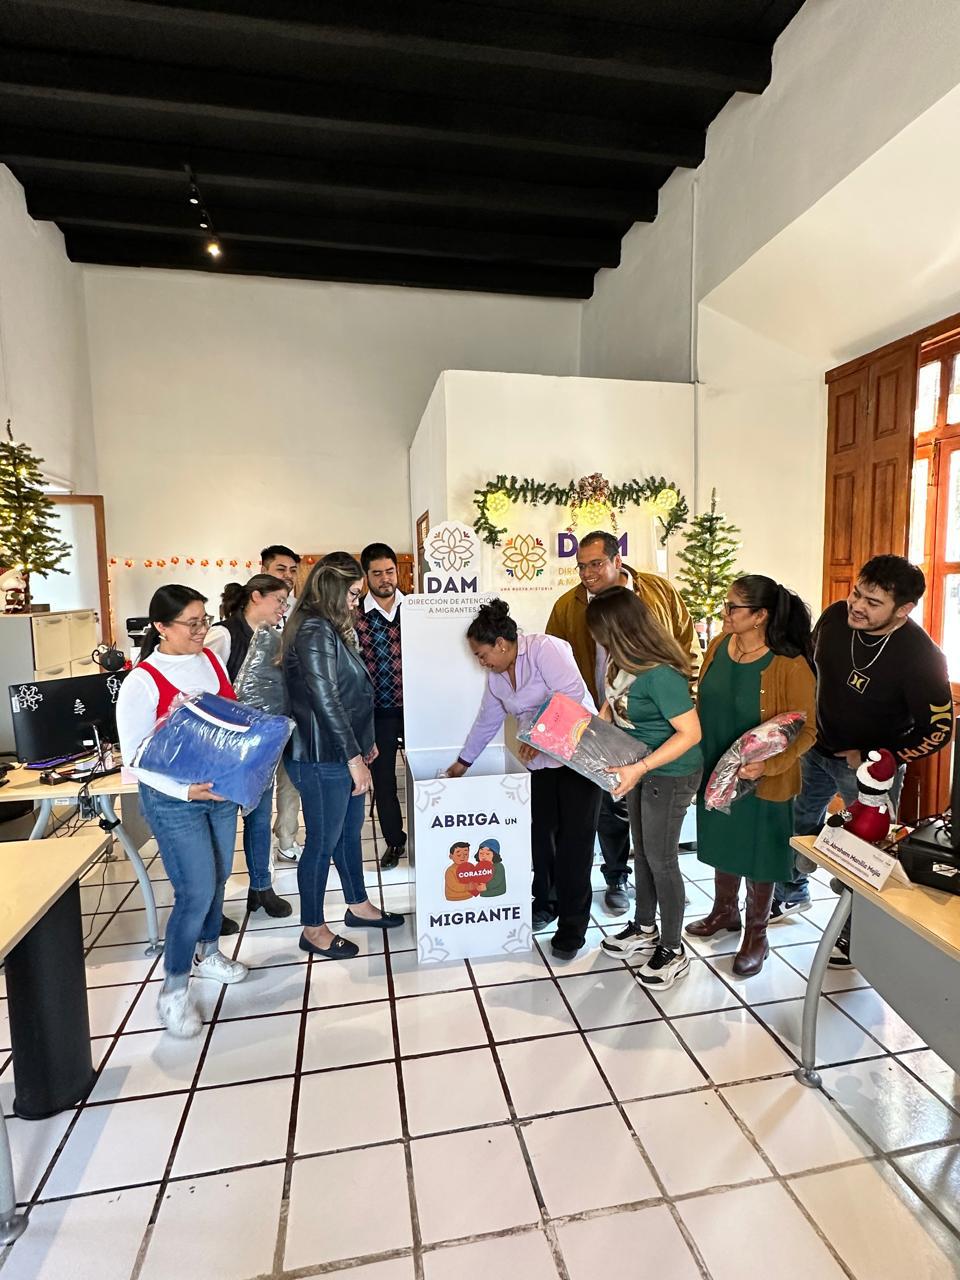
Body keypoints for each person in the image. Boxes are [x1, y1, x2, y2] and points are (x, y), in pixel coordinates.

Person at [772, 555, 953, 968]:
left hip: (868, 772)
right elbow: (810, 667)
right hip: (816, 749)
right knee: (798, 823)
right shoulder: (836, 618)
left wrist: (878, 757)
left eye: (872, 602)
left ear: (903, 610)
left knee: (865, 852)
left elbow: (939, 731)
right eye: (857, 593)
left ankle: (854, 933)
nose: (856, 605)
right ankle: (791, 893)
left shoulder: (921, 657)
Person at [546, 530, 700, 915]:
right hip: (609, 726)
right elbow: (557, 665)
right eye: (581, 566)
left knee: (658, 845)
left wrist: (686, 699)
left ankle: (664, 904)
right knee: (613, 811)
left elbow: (687, 648)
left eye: (595, 564)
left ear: (617, 560)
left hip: (662, 734)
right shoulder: (568, 606)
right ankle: (618, 878)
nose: (587, 573)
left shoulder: (659, 594)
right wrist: (585, 727)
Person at [116, 585, 247, 1038]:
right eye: (191, 623)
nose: (201, 630)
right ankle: (173, 989)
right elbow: (134, 760)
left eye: (203, 620)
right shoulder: (142, 681)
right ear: (160, 627)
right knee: (195, 890)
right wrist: (186, 791)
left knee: (221, 874)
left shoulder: (210, 660)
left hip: (219, 792)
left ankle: (208, 951)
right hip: (175, 800)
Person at [447, 598, 601, 960]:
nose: (480, 662)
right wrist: (463, 763)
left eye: (482, 654)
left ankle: (573, 929)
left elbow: (573, 696)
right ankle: (545, 904)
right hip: (541, 763)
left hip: (579, 757)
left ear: (501, 644)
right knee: (541, 838)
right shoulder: (497, 676)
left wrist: (538, 735)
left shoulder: (545, 650)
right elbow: (488, 719)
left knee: (574, 846)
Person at [685, 575, 817, 976]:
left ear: (760, 616)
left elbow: (807, 731)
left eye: (733, 607)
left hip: (765, 781)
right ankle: (724, 911)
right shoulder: (719, 646)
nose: (724, 613)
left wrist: (768, 766)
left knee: (762, 854)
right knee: (723, 841)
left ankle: (757, 933)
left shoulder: (789, 665)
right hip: (718, 773)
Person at [282, 556, 403, 959]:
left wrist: (364, 743)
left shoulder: (329, 626)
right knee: (322, 842)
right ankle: (313, 928)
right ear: (333, 588)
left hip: (341, 749)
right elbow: (326, 698)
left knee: (350, 834)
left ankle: (358, 905)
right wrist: (353, 757)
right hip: (321, 755)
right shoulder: (313, 628)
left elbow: (350, 693)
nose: (356, 602)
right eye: (352, 594)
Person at [587, 589, 703, 989]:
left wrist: (640, 767)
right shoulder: (618, 663)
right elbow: (614, 704)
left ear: (619, 630)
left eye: (600, 632)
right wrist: (598, 727)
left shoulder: (661, 676)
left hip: (669, 773)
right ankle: (644, 927)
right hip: (637, 767)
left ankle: (673, 948)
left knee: (662, 860)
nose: (597, 640)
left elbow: (690, 733)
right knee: (643, 853)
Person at [206, 574, 293, 920]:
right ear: (256, 596)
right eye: (279, 600)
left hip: (260, 746)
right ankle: (212, 906)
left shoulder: (273, 636)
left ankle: (261, 888)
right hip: (226, 749)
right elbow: (205, 690)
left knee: (259, 817)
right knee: (223, 828)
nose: (283, 607)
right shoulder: (224, 635)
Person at [355, 542, 407, 870]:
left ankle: (431, 830)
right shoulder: (355, 615)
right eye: (377, 573)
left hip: (417, 709)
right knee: (384, 780)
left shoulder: (416, 609)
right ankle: (394, 840)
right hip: (376, 713)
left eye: (390, 571)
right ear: (367, 576)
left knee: (426, 771)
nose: (385, 579)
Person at [261, 544, 303, 865]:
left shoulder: (301, 609)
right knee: (260, 784)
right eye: (280, 569)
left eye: (292, 570)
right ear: (264, 569)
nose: (287, 575)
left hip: (293, 707)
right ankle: (259, 848)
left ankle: (287, 839)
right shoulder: (252, 608)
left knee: (290, 780)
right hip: (259, 714)